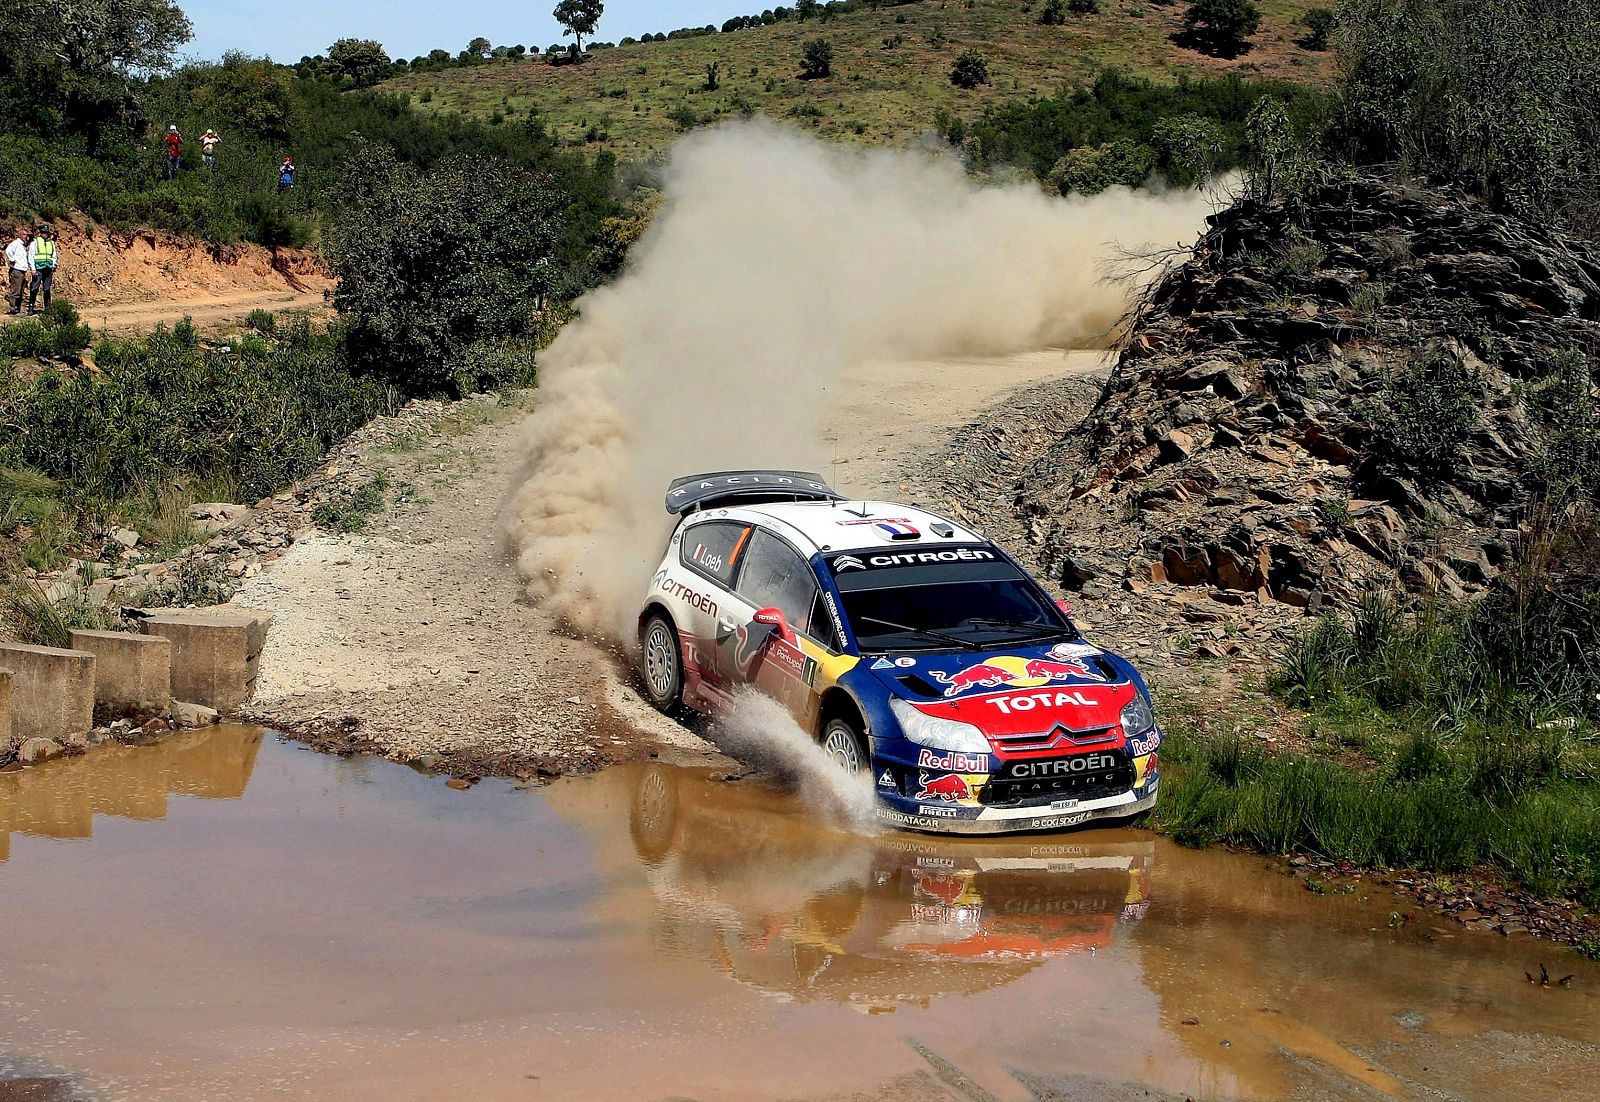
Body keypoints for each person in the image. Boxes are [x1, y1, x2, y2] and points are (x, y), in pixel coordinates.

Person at [27, 225, 58, 314]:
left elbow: (54, 255)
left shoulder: (51, 243)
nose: (45, 234)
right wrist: (33, 269)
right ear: (40, 233)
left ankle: (47, 308)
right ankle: (31, 307)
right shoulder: (35, 242)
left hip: (48, 268)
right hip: (38, 268)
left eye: (46, 233)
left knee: (47, 289)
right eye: (43, 232)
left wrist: (53, 265)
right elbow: (31, 256)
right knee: (34, 288)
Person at [5, 225, 32, 315]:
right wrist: (12, 260)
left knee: (20, 291)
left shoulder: (23, 245)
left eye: (27, 235)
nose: (26, 236)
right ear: (20, 235)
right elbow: (8, 251)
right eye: (24, 234)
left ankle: (17, 309)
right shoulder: (16, 243)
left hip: (22, 271)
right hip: (17, 270)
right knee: (15, 290)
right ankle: (13, 308)